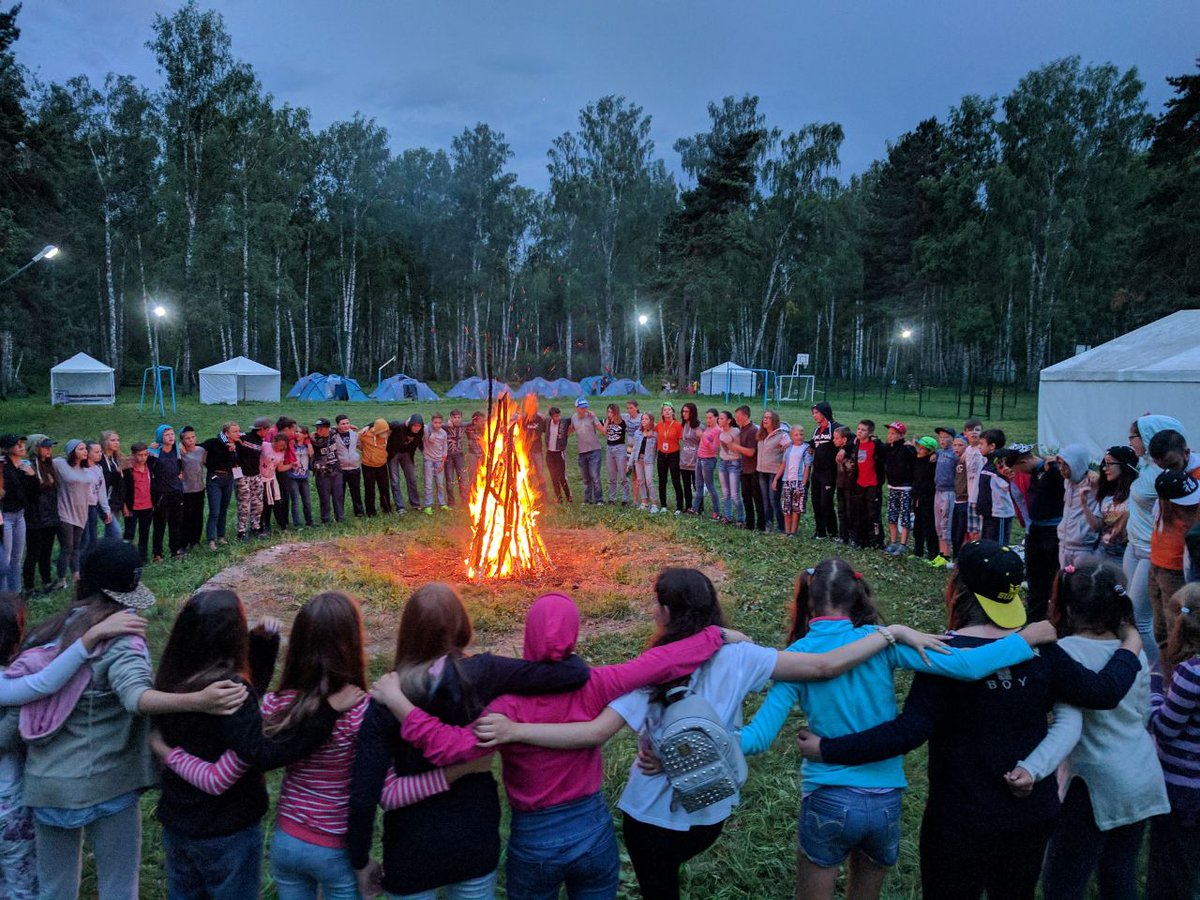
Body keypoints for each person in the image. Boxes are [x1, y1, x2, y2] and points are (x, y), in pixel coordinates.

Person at [464, 569, 955, 900]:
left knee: (660, 888)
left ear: (666, 612)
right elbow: (825, 665)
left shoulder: (649, 671)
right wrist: (890, 633)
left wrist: (512, 728)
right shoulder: (740, 656)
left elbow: (594, 732)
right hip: (712, 808)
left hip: (651, 816)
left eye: (655, 605)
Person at [796, 541, 1144, 900]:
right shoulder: (1041, 648)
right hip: (1030, 815)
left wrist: (829, 748)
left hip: (959, 819)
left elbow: (908, 731)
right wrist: (1131, 642)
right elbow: (1103, 692)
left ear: (958, 589)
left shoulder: (944, 654)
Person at [741, 560, 1049, 900]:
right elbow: (968, 665)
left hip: (827, 797)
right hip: (885, 802)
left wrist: (699, 739)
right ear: (857, 596)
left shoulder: (797, 658)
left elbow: (756, 738)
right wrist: (1027, 639)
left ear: (809, 601)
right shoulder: (882, 643)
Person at [20, 543, 249, 899]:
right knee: (119, 888)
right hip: (108, 781)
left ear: (83, 579)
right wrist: (197, 701)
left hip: (47, 785)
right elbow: (136, 698)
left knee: (53, 889)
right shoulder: (123, 639)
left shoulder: (49, 631)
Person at [348, 583, 591, 899]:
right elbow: (572, 674)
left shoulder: (385, 697)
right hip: (473, 840)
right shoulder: (485, 672)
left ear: (408, 631)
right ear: (462, 624)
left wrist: (360, 860)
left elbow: (363, 795)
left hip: (411, 849)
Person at [147, 590, 358, 900]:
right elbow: (260, 751)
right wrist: (325, 715)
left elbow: (244, 712)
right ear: (232, 637)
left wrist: (262, 644)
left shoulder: (173, 678)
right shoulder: (230, 689)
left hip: (179, 822)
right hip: (225, 830)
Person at [1005, 561, 1168, 899]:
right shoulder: (1131, 652)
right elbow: (1143, 712)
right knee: (1119, 872)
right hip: (1140, 772)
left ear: (1064, 603)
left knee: (1064, 877)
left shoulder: (1065, 654)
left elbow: (1069, 723)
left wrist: (1033, 767)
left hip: (1092, 782)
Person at [0, 592, 146, 899]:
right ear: (13, 641)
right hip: (9, 808)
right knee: (23, 887)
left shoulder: (17, 668)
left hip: (42, 792)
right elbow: (44, 684)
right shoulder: (7, 683)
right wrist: (91, 637)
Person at [1148, 583, 1200, 899]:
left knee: (1170, 867)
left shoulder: (1191, 674)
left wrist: (1155, 691)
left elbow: (1165, 728)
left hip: (1182, 790)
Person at [1125, 415, 1186, 670]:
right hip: (1134, 545)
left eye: (1133, 437)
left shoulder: (1168, 472)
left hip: (1152, 550)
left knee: (1141, 618)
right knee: (1129, 610)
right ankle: (1143, 664)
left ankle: (1156, 671)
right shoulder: (1146, 466)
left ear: (1147, 438)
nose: (1129, 442)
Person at [1012, 447, 1067, 622]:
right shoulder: (1038, 471)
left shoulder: (1053, 470)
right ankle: (1035, 615)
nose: (1018, 473)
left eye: (1017, 468)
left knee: (1053, 574)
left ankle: (1058, 616)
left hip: (1052, 530)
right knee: (1034, 575)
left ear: (1024, 462)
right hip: (1036, 529)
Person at [1150, 469, 1200, 655]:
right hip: (1159, 565)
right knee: (1162, 631)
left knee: (1182, 635)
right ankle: (1170, 678)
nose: (1194, 504)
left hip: (1180, 574)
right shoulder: (1162, 509)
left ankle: (1184, 678)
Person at [1080, 446, 1137, 563]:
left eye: (1109, 464)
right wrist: (1084, 503)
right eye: (1104, 464)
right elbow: (1097, 527)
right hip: (1102, 550)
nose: (1105, 468)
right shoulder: (1107, 494)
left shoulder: (1136, 494)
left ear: (1123, 465)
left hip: (1126, 553)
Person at [51, 440, 94, 584]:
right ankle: (61, 579)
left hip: (81, 512)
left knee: (76, 546)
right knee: (67, 547)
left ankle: (76, 575)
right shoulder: (60, 464)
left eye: (85, 449)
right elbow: (41, 464)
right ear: (72, 451)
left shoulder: (85, 469)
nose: (85, 451)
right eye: (81, 449)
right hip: (65, 511)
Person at [21, 435, 59, 596]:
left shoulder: (48, 465)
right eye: (45, 447)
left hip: (50, 514)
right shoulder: (28, 467)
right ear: (35, 448)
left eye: (50, 446)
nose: (49, 449)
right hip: (35, 516)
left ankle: (47, 580)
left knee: (47, 551)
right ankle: (29, 586)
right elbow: (30, 492)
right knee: (33, 552)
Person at [1057, 443, 1099, 569]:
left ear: (1077, 465)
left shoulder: (1093, 483)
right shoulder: (1068, 482)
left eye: (1066, 465)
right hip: (1064, 544)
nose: (1061, 469)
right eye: (1061, 464)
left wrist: (1093, 472)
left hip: (1083, 547)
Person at [201, 423, 241, 550]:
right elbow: (197, 448)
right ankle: (211, 540)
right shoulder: (214, 442)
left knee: (224, 509)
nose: (238, 434)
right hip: (215, 479)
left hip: (228, 479)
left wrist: (234, 450)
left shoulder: (237, 445)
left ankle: (221, 536)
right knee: (215, 511)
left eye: (238, 431)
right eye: (234, 431)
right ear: (226, 433)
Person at [0, 435, 32, 593]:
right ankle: (5, 598)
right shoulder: (4, 468)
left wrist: (31, 476)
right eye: (17, 444)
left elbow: (32, 493)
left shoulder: (24, 466)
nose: (21, 446)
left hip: (20, 514)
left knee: (16, 558)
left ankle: (16, 595)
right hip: (6, 515)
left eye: (22, 444)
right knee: (5, 560)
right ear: (7, 448)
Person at [152, 424, 186, 559]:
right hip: (161, 493)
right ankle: (157, 553)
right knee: (160, 524)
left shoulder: (177, 450)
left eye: (172, 434)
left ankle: (175, 550)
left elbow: (180, 466)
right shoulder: (154, 452)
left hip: (176, 492)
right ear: (160, 437)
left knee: (176, 523)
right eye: (167, 435)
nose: (171, 437)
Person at [975, 429, 1014, 546]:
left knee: (998, 548)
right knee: (987, 546)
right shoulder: (988, 462)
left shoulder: (1001, 463)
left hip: (1000, 514)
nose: (979, 447)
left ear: (992, 446)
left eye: (982, 444)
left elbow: (1009, 483)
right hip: (988, 513)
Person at [850, 421, 885, 550]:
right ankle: (861, 540)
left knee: (873, 514)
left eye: (863, 430)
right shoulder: (856, 443)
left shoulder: (875, 445)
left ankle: (876, 540)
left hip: (873, 484)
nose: (859, 432)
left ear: (870, 433)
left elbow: (886, 454)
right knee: (860, 512)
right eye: (858, 429)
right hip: (860, 483)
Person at [882, 422, 915, 555]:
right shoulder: (887, 448)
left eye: (893, 434)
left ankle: (903, 544)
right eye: (889, 433)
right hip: (892, 486)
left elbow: (917, 458)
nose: (890, 436)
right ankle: (893, 542)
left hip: (905, 487)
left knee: (904, 515)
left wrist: (913, 445)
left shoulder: (907, 449)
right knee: (892, 514)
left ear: (901, 435)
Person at [121, 443, 156, 562]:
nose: (143, 457)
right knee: (129, 532)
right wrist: (125, 506)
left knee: (144, 532)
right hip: (133, 506)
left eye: (145, 454)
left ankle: (142, 557)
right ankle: (126, 556)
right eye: (140, 455)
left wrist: (153, 446)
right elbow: (124, 490)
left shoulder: (149, 467)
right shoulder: (129, 471)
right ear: (133, 455)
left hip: (147, 505)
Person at [810, 402, 840, 540]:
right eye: (813, 413)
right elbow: (813, 444)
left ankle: (833, 533)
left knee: (826, 503)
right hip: (816, 471)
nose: (814, 415)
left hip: (829, 472)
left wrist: (844, 451)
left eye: (816, 412)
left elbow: (850, 439)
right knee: (816, 502)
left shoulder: (836, 428)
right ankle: (820, 532)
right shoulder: (817, 430)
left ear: (824, 412)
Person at [775, 424, 811, 538]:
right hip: (787, 481)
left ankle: (793, 532)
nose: (799, 437)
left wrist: (803, 484)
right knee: (786, 507)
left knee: (796, 508)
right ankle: (787, 530)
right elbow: (783, 464)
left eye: (801, 434)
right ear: (791, 436)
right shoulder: (788, 449)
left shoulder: (806, 448)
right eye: (796, 435)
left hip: (798, 481)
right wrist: (776, 479)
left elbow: (807, 467)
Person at [756, 410, 789, 533]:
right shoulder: (761, 434)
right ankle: (768, 525)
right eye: (764, 417)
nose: (765, 420)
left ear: (774, 420)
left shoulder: (782, 435)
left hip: (774, 473)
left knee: (774, 500)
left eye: (768, 418)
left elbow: (790, 447)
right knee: (765, 500)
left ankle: (782, 527)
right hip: (761, 471)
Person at [79, 441, 112, 561]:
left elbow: (101, 491)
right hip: (82, 507)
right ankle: (80, 566)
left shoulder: (98, 468)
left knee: (93, 538)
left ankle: (90, 564)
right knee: (84, 539)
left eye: (100, 451)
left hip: (93, 507)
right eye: (96, 452)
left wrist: (106, 509)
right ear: (88, 453)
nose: (100, 454)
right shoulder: (81, 469)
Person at [311, 418, 348, 525]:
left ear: (327, 428)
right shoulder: (314, 439)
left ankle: (340, 518)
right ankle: (326, 519)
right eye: (317, 428)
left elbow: (339, 427)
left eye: (321, 428)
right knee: (324, 497)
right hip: (322, 473)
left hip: (336, 471)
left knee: (338, 496)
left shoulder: (332, 433)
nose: (318, 430)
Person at [732, 406, 763, 531]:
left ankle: (761, 525)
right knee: (746, 497)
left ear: (745, 416)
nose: (736, 418)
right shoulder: (742, 429)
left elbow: (751, 452)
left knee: (757, 498)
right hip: (744, 469)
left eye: (738, 416)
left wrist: (735, 447)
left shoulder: (752, 430)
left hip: (753, 470)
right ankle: (750, 524)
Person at [569, 398, 604, 505]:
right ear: (577, 408)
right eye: (582, 407)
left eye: (585, 407)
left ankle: (599, 500)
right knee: (585, 478)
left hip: (594, 450)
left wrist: (603, 425)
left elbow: (602, 430)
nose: (584, 409)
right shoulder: (574, 418)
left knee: (595, 476)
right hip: (582, 451)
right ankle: (588, 499)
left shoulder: (591, 416)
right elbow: (570, 430)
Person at [388, 415, 424, 513]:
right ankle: (400, 507)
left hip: (406, 454)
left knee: (412, 479)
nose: (417, 428)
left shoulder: (420, 432)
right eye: (415, 426)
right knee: (395, 481)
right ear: (411, 424)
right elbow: (383, 424)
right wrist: (368, 426)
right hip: (393, 454)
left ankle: (415, 503)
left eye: (419, 426)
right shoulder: (398, 426)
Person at [179, 427, 207, 552]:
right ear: (182, 440)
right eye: (187, 438)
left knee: (198, 516)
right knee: (186, 517)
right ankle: (184, 542)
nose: (191, 440)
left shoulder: (201, 450)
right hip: (185, 490)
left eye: (193, 437)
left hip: (199, 488)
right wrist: (178, 445)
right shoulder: (179, 452)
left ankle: (195, 541)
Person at [912, 437, 940, 561]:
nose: (919, 450)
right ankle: (918, 551)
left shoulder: (932, 462)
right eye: (919, 447)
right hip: (917, 498)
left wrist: (936, 454)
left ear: (930, 451)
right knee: (917, 526)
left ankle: (933, 553)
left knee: (929, 526)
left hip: (928, 499)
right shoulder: (917, 460)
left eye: (922, 448)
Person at [258, 432, 291, 535]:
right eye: (280, 445)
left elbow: (280, 468)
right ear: (274, 441)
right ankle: (262, 526)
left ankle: (282, 525)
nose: (281, 447)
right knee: (263, 504)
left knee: (276, 502)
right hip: (260, 479)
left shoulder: (281, 453)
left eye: (284, 445)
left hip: (271, 479)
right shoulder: (264, 445)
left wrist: (291, 465)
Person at [690, 408, 720, 519]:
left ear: (716, 417)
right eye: (707, 418)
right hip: (700, 458)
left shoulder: (717, 430)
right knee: (698, 486)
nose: (708, 420)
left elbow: (713, 449)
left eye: (710, 418)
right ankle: (695, 509)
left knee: (710, 486)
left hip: (708, 460)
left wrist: (702, 436)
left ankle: (716, 511)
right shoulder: (708, 428)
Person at [358, 418, 392, 517]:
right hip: (368, 466)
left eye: (386, 431)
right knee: (369, 489)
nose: (386, 433)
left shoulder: (388, 433)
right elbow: (356, 439)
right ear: (377, 430)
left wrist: (369, 424)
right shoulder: (365, 434)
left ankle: (386, 509)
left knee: (384, 488)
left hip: (382, 465)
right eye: (383, 431)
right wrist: (364, 449)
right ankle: (370, 512)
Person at [655, 403, 685, 515]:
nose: (667, 411)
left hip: (674, 455)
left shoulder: (678, 425)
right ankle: (663, 505)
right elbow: (648, 430)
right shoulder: (659, 425)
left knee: (676, 480)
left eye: (669, 410)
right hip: (662, 455)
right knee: (662, 481)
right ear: (662, 413)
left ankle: (679, 507)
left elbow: (681, 441)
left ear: (673, 411)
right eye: (664, 410)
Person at [932, 427, 957, 561]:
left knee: (946, 523)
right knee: (938, 524)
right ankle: (940, 554)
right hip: (938, 490)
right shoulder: (940, 452)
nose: (942, 439)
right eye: (940, 437)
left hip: (949, 492)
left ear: (953, 439)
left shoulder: (955, 454)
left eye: (946, 437)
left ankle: (946, 555)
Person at [334, 415, 365, 519]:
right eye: (342, 424)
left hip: (354, 467)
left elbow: (360, 446)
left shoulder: (354, 435)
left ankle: (359, 513)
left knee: (356, 492)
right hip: (341, 469)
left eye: (347, 423)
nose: (346, 425)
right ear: (337, 425)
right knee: (340, 493)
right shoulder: (334, 436)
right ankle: (340, 515)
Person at [716, 411, 743, 525]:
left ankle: (741, 518)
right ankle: (728, 516)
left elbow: (739, 449)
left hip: (734, 463)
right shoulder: (721, 431)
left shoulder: (735, 432)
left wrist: (731, 447)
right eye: (719, 418)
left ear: (729, 420)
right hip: (723, 463)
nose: (719, 420)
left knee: (734, 494)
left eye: (722, 418)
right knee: (725, 493)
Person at [98, 431, 124, 542]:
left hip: (115, 501)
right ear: (104, 442)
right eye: (113, 440)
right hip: (103, 500)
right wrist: (117, 473)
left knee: (111, 532)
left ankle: (107, 553)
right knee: (116, 532)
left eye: (118, 440)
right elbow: (103, 480)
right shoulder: (100, 459)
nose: (116, 443)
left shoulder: (114, 459)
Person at [287, 426, 315, 528]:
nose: (297, 434)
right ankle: (297, 523)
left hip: (304, 476)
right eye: (296, 432)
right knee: (295, 501)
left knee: (307, 500)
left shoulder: (308, 445)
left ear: (305, 435)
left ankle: (309, 521)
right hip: (292, 476)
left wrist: (308, 442)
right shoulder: (291, 444)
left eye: (300, 432)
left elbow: (314, 435)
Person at [961, 419, 985, 542]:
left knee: (981, 530)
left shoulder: (983, 451)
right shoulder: (968, 450)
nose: (974, 432)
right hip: (971, 496)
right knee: (972, 531)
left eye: (977, 430)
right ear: (965, 433)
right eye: (970, 430)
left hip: (980, 497)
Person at [544, 407, 573, 503]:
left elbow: (575, 418)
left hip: (559, 452)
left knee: (561, 476)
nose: (558, 418)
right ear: (552, 416)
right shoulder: (548, 422)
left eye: (559, 415)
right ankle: (559, 497)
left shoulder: (564, 422)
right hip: (550, 453)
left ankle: (569, 496)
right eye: (556, 416)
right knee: (553, 476)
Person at [631, 412, 658, 512]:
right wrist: (630, 463)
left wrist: (652, 428)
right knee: (640, 481)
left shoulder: (655, 433)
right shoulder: (637, 432)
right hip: (638, 460)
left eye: (646, 419)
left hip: (648, 460)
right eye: (642, 419)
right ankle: (644, 502)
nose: (644, 421)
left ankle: (654, 504)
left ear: (651, 421)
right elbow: (634, 448)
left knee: (649, 481)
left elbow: (657, 449)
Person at [602, 403, 629, 505]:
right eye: (608, 412)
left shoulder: (622, 421)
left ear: (616, 412)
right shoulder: (606, 421)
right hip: (609, 448)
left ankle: (625, 498)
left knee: (623, 474)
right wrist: (607, 422)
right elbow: (604, 433)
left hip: (620, 448)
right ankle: (611, 498)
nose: (609, 414)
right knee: (612, 475)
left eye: (611, 412)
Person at [423, 413, 449, 514]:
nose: (437, 425)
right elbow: (422, 425)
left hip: (439, 461)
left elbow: (445, 448)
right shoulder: (427, 430)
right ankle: (428, 505)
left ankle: (442, 503)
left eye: (439, 423)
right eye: (435, 422)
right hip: (428, 460)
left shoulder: (443, 433)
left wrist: (443, 463)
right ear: (431, 422)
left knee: (440, 483)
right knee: (428, 484)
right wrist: (428, 436)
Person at [834, 426, 856, 545]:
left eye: (836, 438)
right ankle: (843, 536)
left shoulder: (850, 452)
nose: (834, 440)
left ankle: (853, 537)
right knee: (841, 511)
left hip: (850, 486)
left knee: (850, 511)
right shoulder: (839, 450)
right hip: (840, 485)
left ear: (844, 439)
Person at [679, 403, 702, 514]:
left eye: (687, 411)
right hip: (684, 460)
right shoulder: (683, 425)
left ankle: (698, 508)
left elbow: (702, 445)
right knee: (686, 485)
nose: (684, 414)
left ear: (692, 412)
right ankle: (688, 506)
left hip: (695, 461)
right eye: (683, 411)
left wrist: (695, 459)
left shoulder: (699, 426)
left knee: (697, 485)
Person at [444, 410, 468, 506]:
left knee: (462, 477)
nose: (457, 419)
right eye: (454, 417)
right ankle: (451, 502)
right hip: (448, 456)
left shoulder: (463, 425)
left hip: (459, 456)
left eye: (458, 417)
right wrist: (446, 424)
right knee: (449, 479)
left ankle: (464, 500)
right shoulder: (446, 427)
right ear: (450, 417)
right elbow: (434, 425)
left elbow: (474, 423)